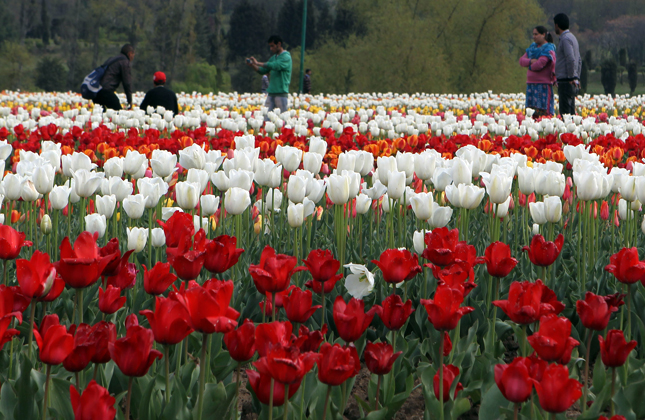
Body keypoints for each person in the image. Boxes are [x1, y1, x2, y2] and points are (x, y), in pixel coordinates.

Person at [246, 35, 292, 115]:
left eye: (272, 46)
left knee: (283, 119)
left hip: (281, 93)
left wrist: (258, 63)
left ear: (279, 44)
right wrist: (253, 65)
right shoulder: (273, 58)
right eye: (270, 46)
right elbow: (262, 71)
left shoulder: (286, 57)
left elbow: (275, 65)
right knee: (266, 119)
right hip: (271, 93)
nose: (271, 49)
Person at [519, 26, 556, 117]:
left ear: (543, 35)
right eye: (533, 34)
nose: (534, 36)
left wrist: (529, 66)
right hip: (531, 84)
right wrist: (530, 61)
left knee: (543, 112)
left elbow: (540, 64)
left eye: (536, 34)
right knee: (531, 113)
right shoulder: (532, 48)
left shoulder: (548, 49)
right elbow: (521, 61)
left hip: (543, 85)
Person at [553, 13, 581, 116]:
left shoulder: (565, 39)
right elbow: (579, 60)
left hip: (566, 81)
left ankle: (568, 132)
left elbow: (571, 58)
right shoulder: (573, 38)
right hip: (571, 80)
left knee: (565, 113)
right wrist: (576, 77)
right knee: (571, 112)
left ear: (557, 25)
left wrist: (571, 77)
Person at [94, 44, 135, 111]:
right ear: (130, 54)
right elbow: (127, 83)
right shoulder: (125, 62)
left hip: (97, 91)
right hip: (106, 91)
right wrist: (130, 100)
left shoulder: (113, 59)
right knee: (118, 113)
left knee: (102, 115)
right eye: (133, 55)